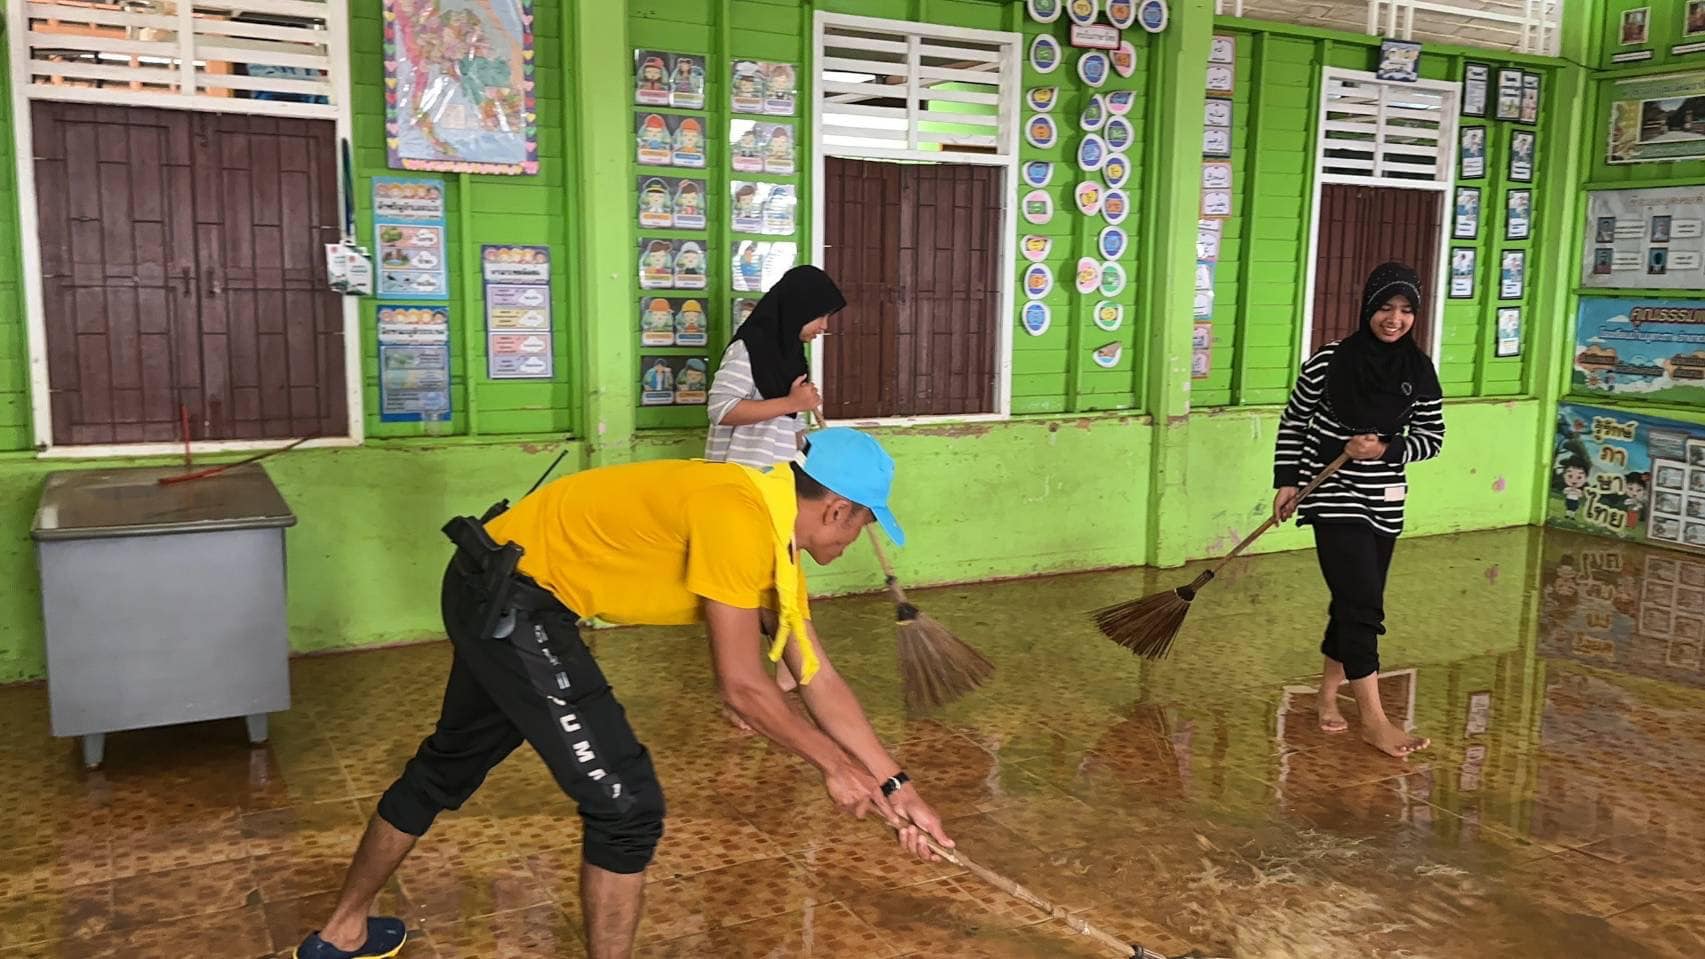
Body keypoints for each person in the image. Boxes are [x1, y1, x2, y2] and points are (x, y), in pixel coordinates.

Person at [290, 428, 954, 959]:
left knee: (448, 765)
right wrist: (834, 765)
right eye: (863, 525)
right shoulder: (738, 515)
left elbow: (817, 676)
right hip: (514, 597)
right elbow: (741, 686)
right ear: (836, 508)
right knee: (627, 806)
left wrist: (896, 784)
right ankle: (344, 926)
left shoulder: (771, 532)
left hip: (489, 579)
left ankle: (342, 932)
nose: (856, 540)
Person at [1272, 262, 1445, 758]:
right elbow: (1294, 422)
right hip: (1330, 493)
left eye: (1406, 310)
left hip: (1385, 498)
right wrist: (1286, 481)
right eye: (1386, 307)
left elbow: (1432, 439)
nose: (1395, 319)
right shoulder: (1328, 362)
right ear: (1368, 307)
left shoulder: (1419, 370)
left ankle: (1327, 694)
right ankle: (1375, 720)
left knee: (1353, 600)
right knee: (1363, 603)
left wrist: (1385, 450)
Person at [704, 265, 846, 723]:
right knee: (747, 596)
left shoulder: (790, 356)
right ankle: (745, 693)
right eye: (820, 316)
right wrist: (791, 403)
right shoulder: (747, 350)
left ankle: (784, 677)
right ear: (798, 309)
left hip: (778, 488)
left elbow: (784, 427)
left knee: (783, 584)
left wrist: (808, 443)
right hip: (739, 492)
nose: (823, 327)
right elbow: (721, 409)